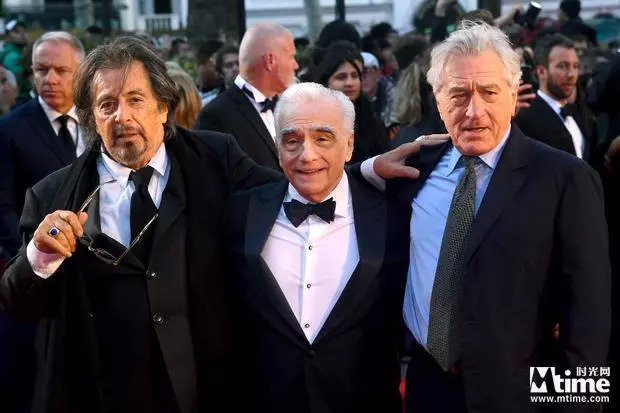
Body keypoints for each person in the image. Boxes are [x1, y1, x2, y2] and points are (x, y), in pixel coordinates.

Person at [0, 36, 280, 413]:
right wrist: (40, 256)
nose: (122, 116)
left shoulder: (217, 160)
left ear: (163, 107)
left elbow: (290, 195)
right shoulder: (50, 196)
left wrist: (357, 172)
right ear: (91, 117)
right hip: (101, 395)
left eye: (135, 100)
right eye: (107, 104)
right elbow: (17, 304)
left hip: (207, 388)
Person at [365, 22, 610, 413]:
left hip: (522, 394)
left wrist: (577, 405)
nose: (473, 111)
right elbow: (318, 187)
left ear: (513, 95)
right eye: (458, 94)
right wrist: (367, 168)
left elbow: (589, 317)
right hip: (428, 388)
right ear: (438, 100)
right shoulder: (413, 169)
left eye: (489, 92)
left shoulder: (565, 179)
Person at [226, 82, 409, 413]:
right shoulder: (241, 212)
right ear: (278, 148)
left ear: (349, 145)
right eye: (292, 141)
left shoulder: (394, 219)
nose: (307, 155)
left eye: (323, 139)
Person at [0, 31, 85, 261]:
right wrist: (29, 259)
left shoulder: (98, 121)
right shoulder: (9, 129)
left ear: (81, 73)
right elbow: (3, 209)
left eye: (61, 70)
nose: (50, 79)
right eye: (42, 70)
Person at [195, 23, 298, 171]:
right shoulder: (216, 115)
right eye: (291, 56)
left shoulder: (289, 106)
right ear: (270, 61)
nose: (295, 65)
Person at [515, 34, 596, 162]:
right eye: (562, 66)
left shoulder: (581, 114)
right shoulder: (524, 116)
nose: (571, 74)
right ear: (541, 71)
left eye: (575, 66)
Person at [314, 42, 389, 163]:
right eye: (341, 77)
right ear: (326, 82)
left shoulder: (369, 116)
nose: (349, 83)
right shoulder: (314, 120)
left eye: (354, 76)